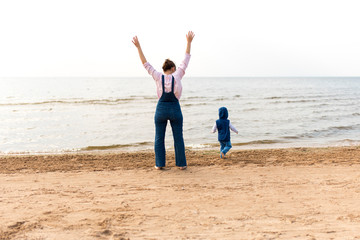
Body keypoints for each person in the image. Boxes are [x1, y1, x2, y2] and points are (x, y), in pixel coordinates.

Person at [132, 31, 195, 170]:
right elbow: (186, 60)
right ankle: (181, 164)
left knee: (159, 138)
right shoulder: (177, 75)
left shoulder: (157, 76)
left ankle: (159, 164)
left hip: (161, 110)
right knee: (178, 137)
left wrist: (138, 47)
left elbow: (145, 64)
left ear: (164, 69)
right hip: (175, 108)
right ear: (173, 68)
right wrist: (189, 42)